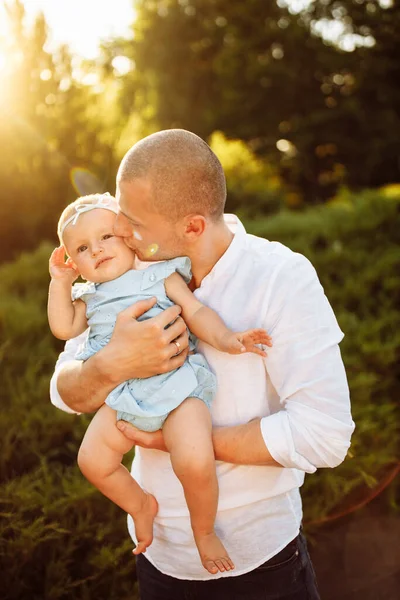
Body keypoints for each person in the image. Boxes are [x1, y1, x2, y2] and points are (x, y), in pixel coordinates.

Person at [50, 129, 355, 600]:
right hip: (159, 561)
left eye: (130, 223)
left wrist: (176, 441)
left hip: (260, 564)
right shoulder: (122, 275)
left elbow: (325, 434)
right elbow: (65, 391)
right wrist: (112, 364)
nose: (118, 233)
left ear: (191, 226)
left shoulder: (281, 277)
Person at [47, 192, 271, 574]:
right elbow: (62, 327)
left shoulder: (160, 273)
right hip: (126, 396)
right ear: (75, 263)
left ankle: (203, 532)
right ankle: (141, 505)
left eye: (106, 237)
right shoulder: (88, 298)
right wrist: (59, 283)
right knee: (93, 460)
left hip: (178, 388)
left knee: (194, 460)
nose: (97, 250)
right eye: (83, 248)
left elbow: (196, 311)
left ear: (126, 235)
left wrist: (227, 339)